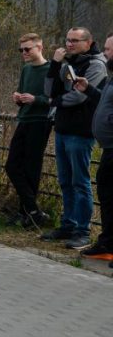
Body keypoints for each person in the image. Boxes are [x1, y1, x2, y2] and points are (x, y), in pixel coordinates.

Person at [42, 27, 107, 250]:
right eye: (68, 40)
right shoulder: (67, 63)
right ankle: (68, 224)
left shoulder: (96, 65)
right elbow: (49, 90)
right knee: (65, 181)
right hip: (62, 129)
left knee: (80, 182)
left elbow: (79, 97)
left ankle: (82, 230)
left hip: (81, 132)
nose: (69, 44)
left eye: (75, 41)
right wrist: (54, 64)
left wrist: (54, 102)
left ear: (88, 43)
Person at [73, 33, 113, 265]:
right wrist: (88, 89)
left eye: (108, 50)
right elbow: (104, 101)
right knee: (106, 195)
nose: (105, 54)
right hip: (108, 148)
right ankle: (107, 243)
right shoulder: (111, 78)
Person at [7, 34, 52, 228]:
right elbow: (21, 92)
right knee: (12, 165)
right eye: (21, 50)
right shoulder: (26, 69)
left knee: (31, 167)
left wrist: (36, 99)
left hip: (40, 121)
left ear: (40, 47)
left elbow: (55, 98)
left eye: (27, 49)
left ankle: (28, 213)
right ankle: (32, 210)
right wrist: (17, 98)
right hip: (24, 119)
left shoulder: (51, 69)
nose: (24, 53)